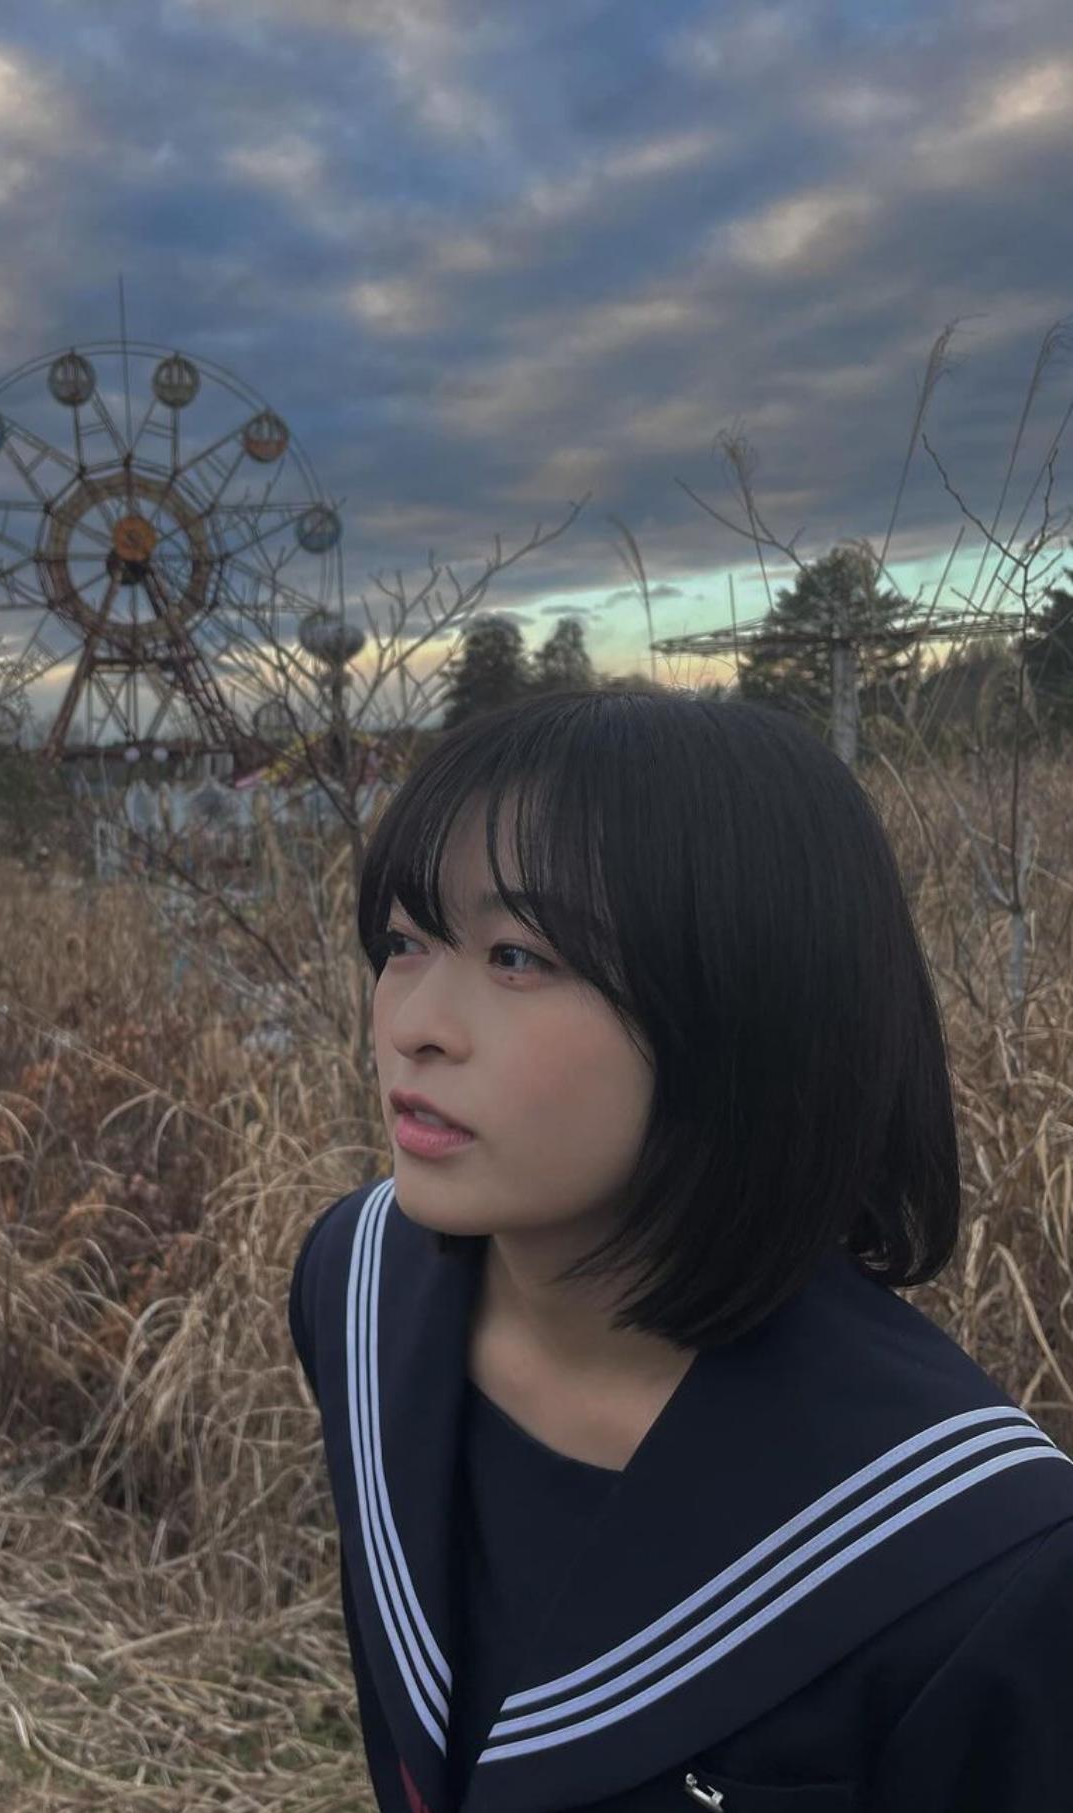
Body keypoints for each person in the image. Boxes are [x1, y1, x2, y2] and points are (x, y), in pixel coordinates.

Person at [287, 688, 1073, 1813]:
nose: (413, 1023)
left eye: (515, 955)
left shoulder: (976, 1561)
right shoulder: (359, 1288)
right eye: (405, 942)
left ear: (746, 1005)